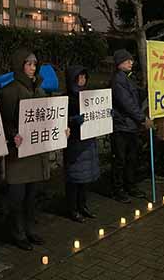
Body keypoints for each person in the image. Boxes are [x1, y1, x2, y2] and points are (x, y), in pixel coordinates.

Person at [0, 49, 49, 251]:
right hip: (18, 153)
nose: (32, 68)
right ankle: (17, 232)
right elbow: (4, 120)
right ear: (19, 65)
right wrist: (13, 135)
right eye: (28, 64)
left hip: (35, 150)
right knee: (17, 197)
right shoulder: (10, 91)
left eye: (34, 64)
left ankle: (30, 229)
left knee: (31, 195)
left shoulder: (40, 89)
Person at [110, 49, 152, 203]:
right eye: (127, 60)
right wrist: (142, 118)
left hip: (130, 125)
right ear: (119, 63)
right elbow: (127, 103)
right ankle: (118, 189)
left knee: (131, 158)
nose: (131, 62)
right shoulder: (117, 80)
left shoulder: (128, 78)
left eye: (131, 60)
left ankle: (130, 185)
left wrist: (148, 90)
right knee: (120, 160)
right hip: (121, 126)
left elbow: (136, 98)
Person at [64, 66, 100, 223]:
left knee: (85, 179)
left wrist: (105, 114)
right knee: (74, 178)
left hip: (88, 142)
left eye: (84, 77)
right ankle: (73, 209)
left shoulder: (89, 97)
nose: (82, 80)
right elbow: (60, 121)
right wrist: (72, 121)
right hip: (74, 143)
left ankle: (83, 206)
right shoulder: (66, 98)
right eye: (79, 77)